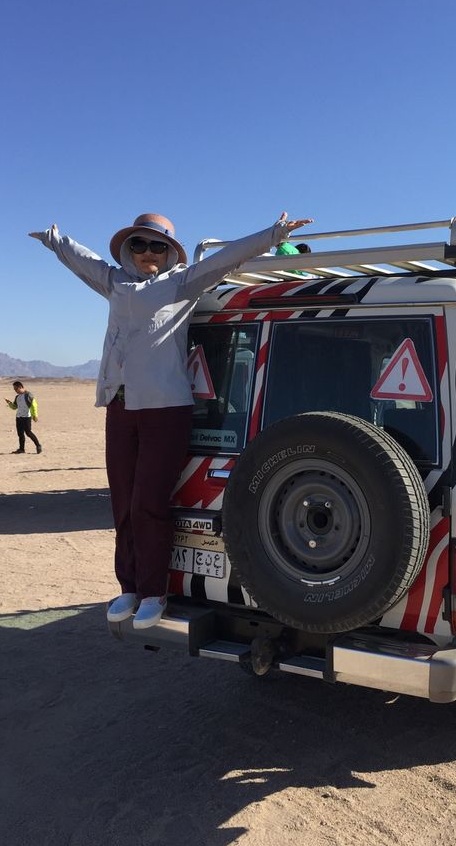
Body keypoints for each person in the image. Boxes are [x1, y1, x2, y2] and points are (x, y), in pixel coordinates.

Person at [29, 210, 312, 629]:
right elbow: (83, 260)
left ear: (169, 252)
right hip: (120, 407)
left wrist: (273, 234)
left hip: (164, 411)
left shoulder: (182, 283)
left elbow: (227, 258)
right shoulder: (115, 283)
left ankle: (153, 593)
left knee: (148, 503)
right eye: (140, 244)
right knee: (122, 503)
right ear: (129, 250)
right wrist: (56, 240)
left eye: (157, 246)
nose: (148, 253)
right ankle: (128, 587)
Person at [5, 381, 42, 454]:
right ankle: (21, 449)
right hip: (19, 417)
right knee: (20, 434)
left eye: (16, 389)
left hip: (26, 417)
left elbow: (34, 405)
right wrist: (9, 403)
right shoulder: (17, 397)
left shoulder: (28, 395)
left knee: (28, 432)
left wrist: (35, 415)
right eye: (14, 389)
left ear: (20, 387)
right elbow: (15, 407)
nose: (15, 391)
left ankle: (38, 445)